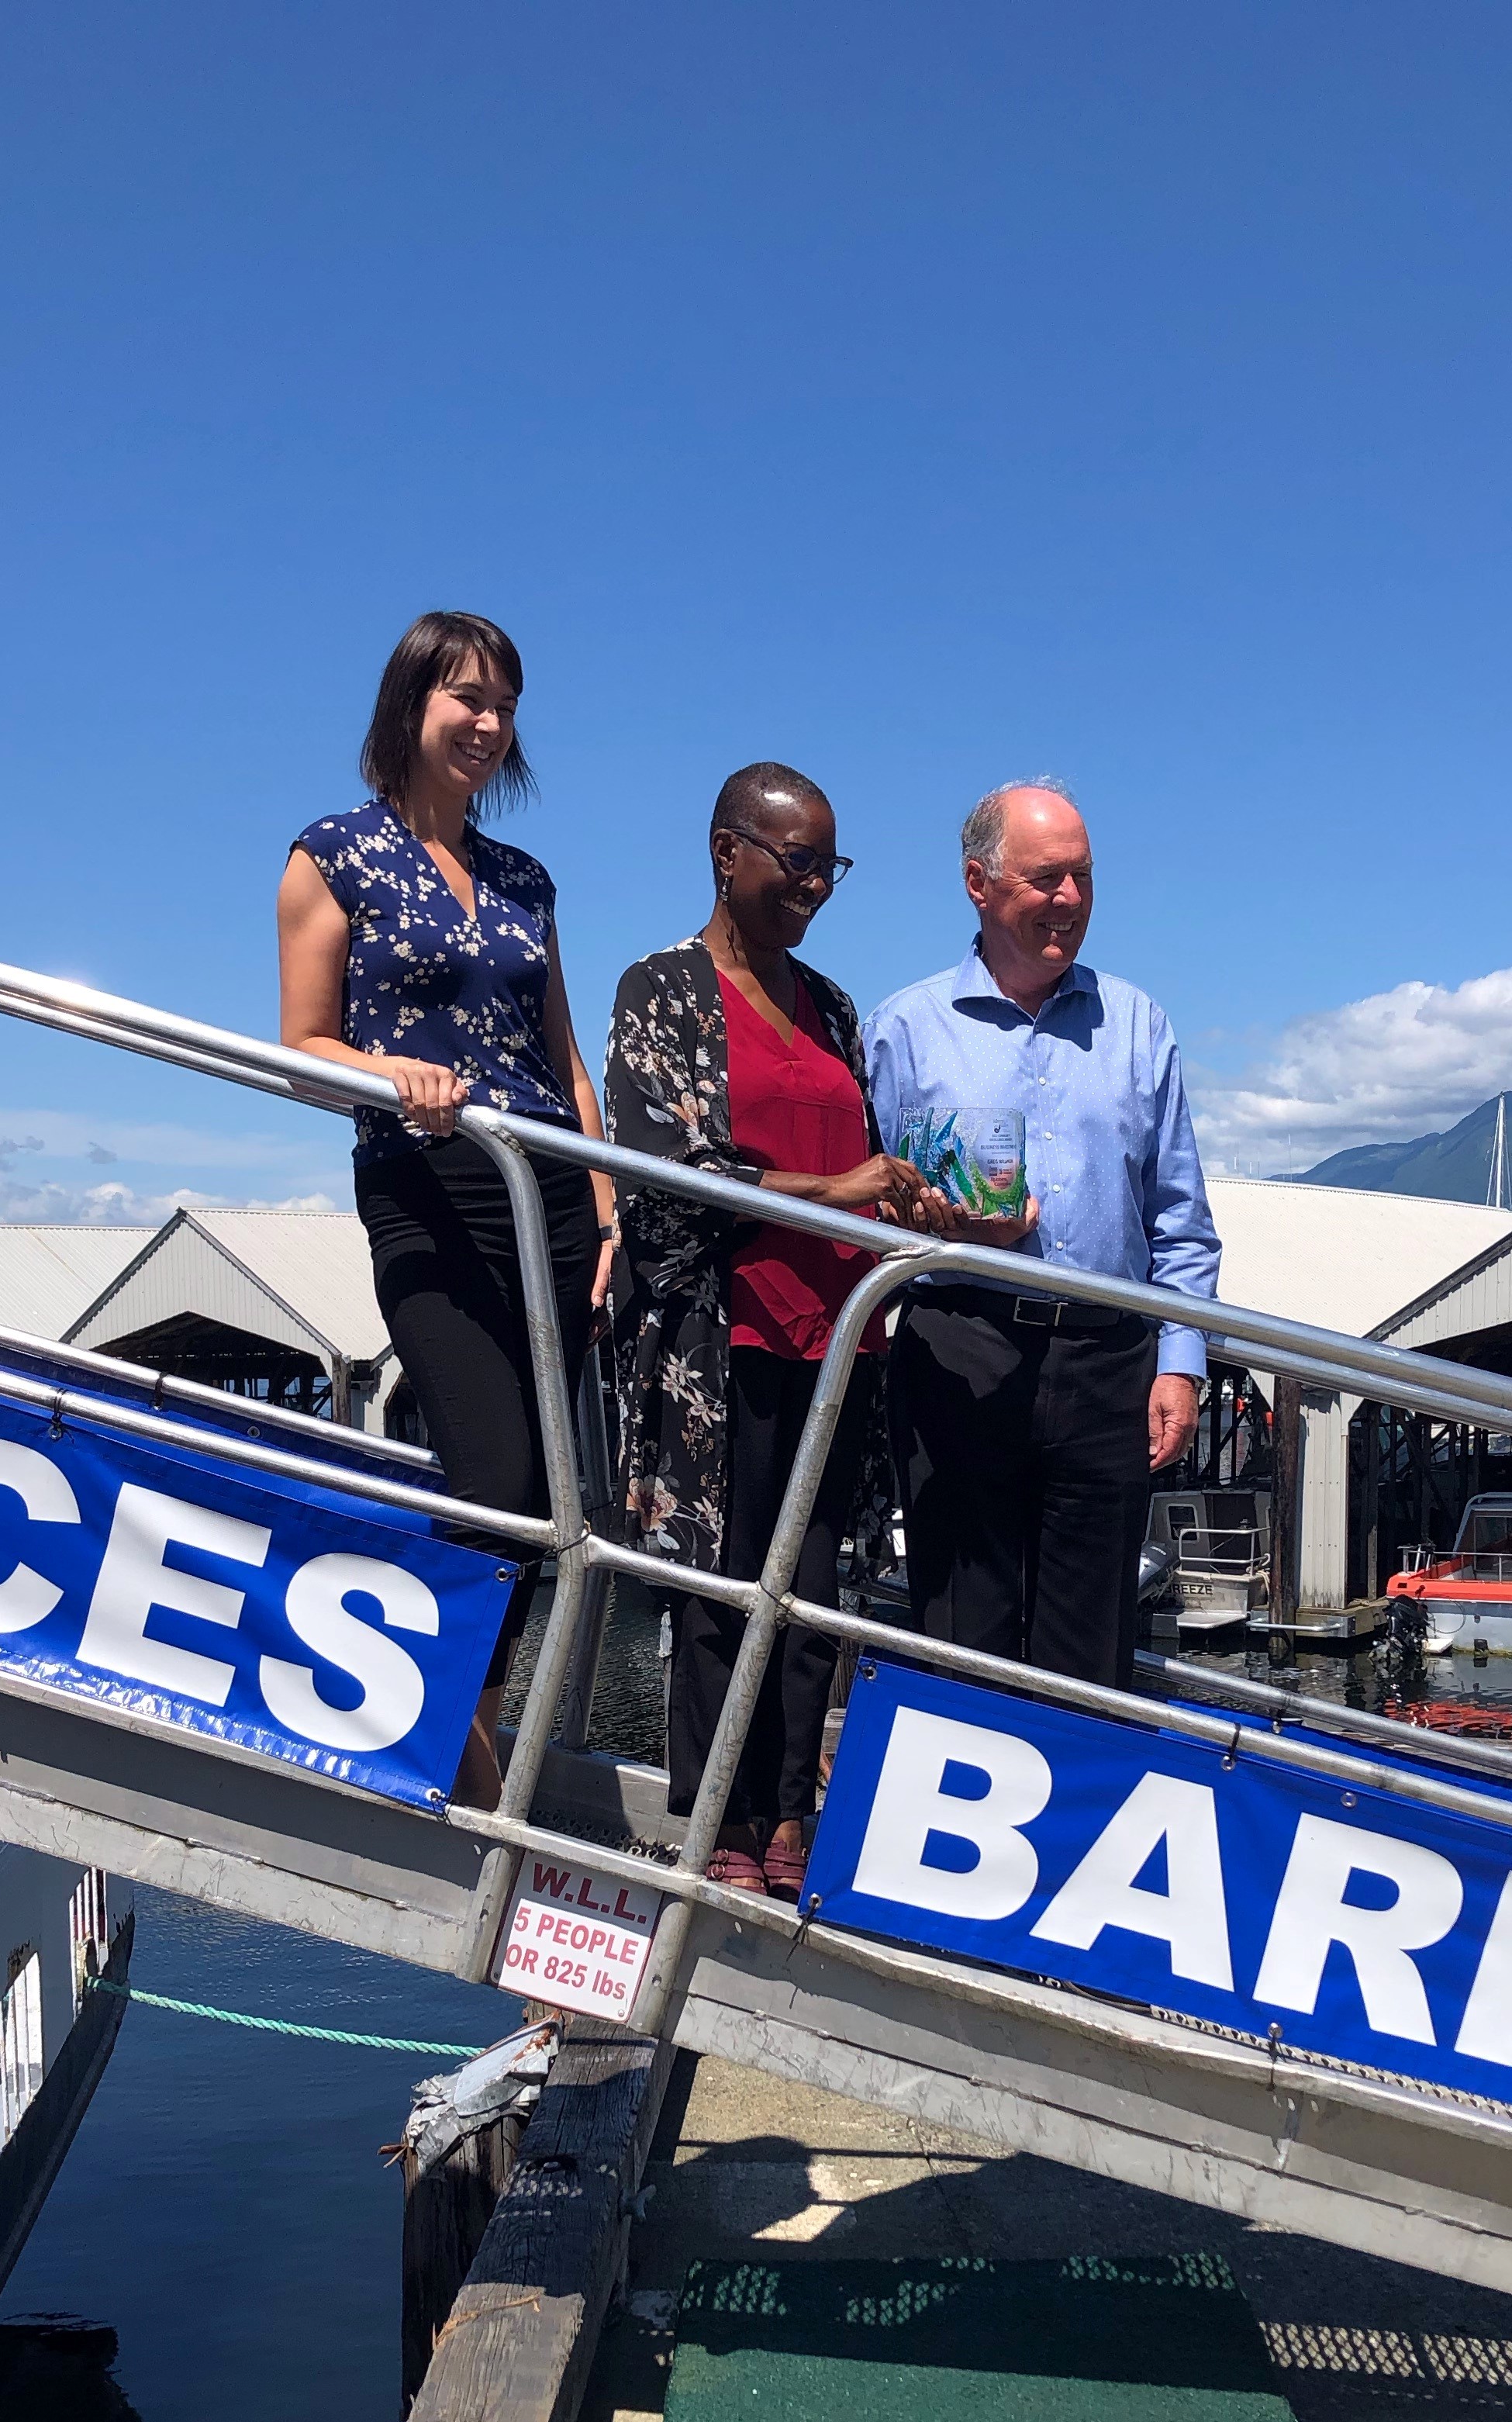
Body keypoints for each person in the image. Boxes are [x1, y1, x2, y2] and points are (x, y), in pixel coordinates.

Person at [278, 610, 617, 1811]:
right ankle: (459, 1763)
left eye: (505, 706)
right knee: (494, 1475)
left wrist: (611, 1200)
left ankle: (463, 1737)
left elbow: (563, 1059)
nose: (486, 724)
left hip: (555, 1200)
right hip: (427, 1188)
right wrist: (394, 1075)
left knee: (548, 1509)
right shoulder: (334, 856)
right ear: (410, 706)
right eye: (466, 699)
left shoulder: (527, 879)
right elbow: (300, 1048)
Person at [606, 762, 948, 1895]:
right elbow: (668, 1174)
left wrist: (908, 1202)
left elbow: (867, 1154)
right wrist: (843, 1191)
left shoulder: (835, 1007)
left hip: (839, 1340)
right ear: (727, 851)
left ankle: (790, 1817)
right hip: (725, 1341)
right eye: (798, 861)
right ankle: (722, 1825)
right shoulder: (661, 989)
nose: (816, 886)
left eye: (829, 866)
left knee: (810, 1602)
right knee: (720, 1589)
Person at [862, 779, 1220, 1692]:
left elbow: (1178, 1216)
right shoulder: (903, 1030)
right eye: (1046, 879)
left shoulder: (1141, 1027)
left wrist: (1180, 1360)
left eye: (1084, 880)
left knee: (1089, 1652)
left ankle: (1067, 1830)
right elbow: (864, 1202)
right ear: (978, 884)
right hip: (959, 1349)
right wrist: (927, 1219)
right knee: (958, 1630)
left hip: (1109, 1361)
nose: (1069, 901)